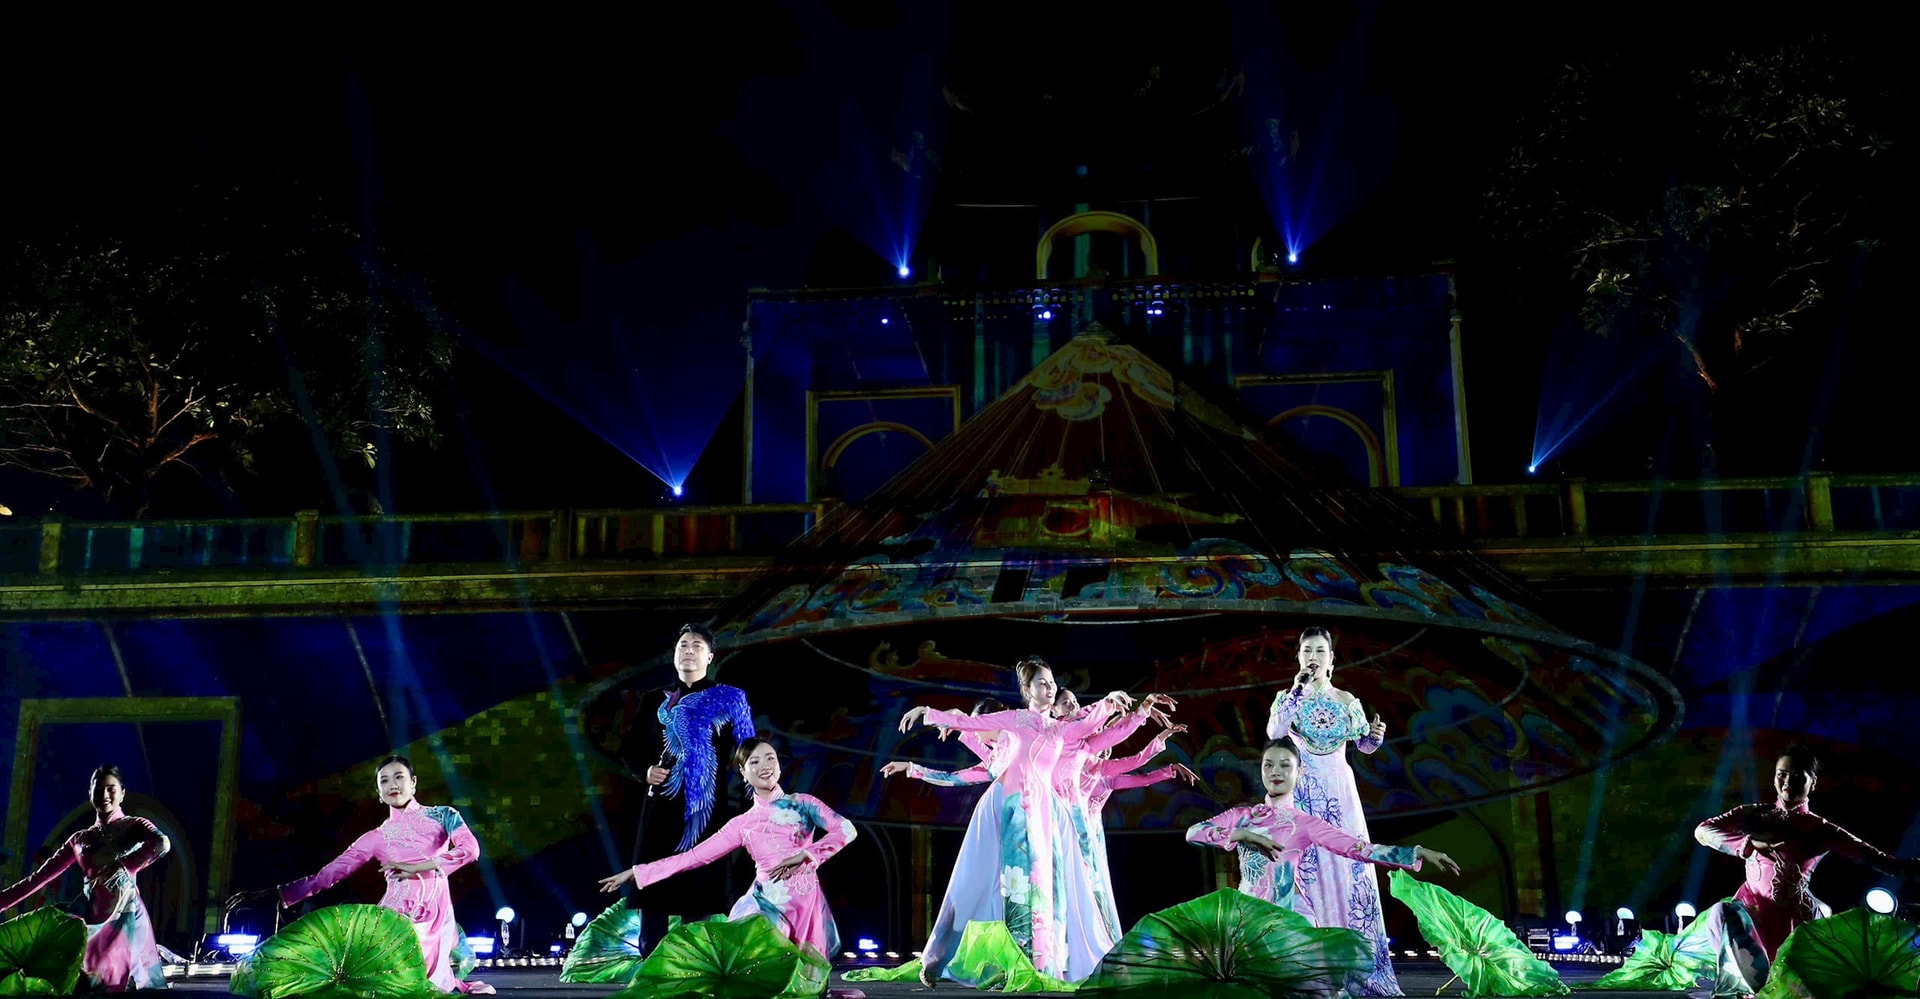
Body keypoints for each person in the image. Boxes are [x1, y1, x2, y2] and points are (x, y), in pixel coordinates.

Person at [895, 659, 1132, 986]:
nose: (1049, 688)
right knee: (1008, 889)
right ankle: (955, 959)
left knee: (1048, 891)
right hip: (1012, 810)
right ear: (1027, 690)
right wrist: (928, 714)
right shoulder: (1015, 721)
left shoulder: (1060, 729)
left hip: (1046, 812)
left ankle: (1043, 966)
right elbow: (970, 728)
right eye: (1041, 683)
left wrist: (1110, 702)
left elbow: (1089, 720)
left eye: (1051, 682)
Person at [1188, 740, 1458, 996]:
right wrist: (1243, 835)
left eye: (1285, 765)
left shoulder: (1304, 823)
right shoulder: (1242, 816)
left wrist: (1414, 853)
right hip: (1247, 918)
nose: (1275, 771)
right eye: (1268, 765)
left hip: (1291, 918)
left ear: (1299, 772)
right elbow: (1194, 833)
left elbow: (1358, 848)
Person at [600, 737, 856, 962]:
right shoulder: (742, 824)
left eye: (770, 758)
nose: (765, 766)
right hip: (764, 903)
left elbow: (846, 829)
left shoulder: (804, 803)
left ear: (779, 765)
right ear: (743, 772)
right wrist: (637, 872)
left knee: (803, 982)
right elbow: (693, 857)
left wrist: (807, 854)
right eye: (754, 762)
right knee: (760, 951)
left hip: (805, 905)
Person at [1692, 744, 1918, 997]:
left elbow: (1875, 858)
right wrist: (1750, 843)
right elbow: (1703, 831)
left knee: (1792, 983)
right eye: (1782, 774)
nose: (1788, 782)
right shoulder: (1753, 814)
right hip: (1751, 909)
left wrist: (1906, 868)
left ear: (1813, 783)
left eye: (1798, 776)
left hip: (1793, 917)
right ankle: (1747, 986)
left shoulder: (1820, 828)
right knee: (1720, 914)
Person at [266, 756, 493, 995]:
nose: (392, 785)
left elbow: (470, 850)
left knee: (426, 985)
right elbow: (330, 873)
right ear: (379, 793)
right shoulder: (376, 837)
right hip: (394, 918)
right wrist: (286, 892)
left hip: (435, 914)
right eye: (384, 781)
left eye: (399, 777)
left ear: (413, 782)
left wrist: (418, 867)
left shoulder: (444, 815)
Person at [1266, 626, 1401, 995]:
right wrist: (1296, 689)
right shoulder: (1288, 697)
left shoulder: (1346, 700)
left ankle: (1358, 965)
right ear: (1298, 657)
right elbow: (1275, 731)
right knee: (1307, 871)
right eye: (1307, 650)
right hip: (1303, 790)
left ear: (1331, 660)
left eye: (1320, 651)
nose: (1313, 656)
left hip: (1340, 790)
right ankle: (1313, 968)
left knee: (1349, 867)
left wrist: (1375, 738)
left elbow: (1364, 744)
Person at [622, 622, 756, 953]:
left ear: (710, 656)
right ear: (674, 654)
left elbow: (748, 753)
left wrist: (755, 808)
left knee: (700, 888)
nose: (689, 651)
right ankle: (651, 962)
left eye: (697, 645)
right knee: (654, 886)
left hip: (705, 810)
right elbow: (630, 749)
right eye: (683, 645)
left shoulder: (730, 698)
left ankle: (692, 961)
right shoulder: (654, 699)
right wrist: (645, 771)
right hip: (661, 809)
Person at [0, 765, 171, 992]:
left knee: (108, 982)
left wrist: (125, 865)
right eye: (98, 789)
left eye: (111, 789)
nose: (104, 795)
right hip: (88, 915)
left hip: (122, 916)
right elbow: (38, 879)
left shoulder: (135, 826)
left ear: (122, 794)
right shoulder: (79, 839)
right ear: (90, 793)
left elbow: (162, 843)